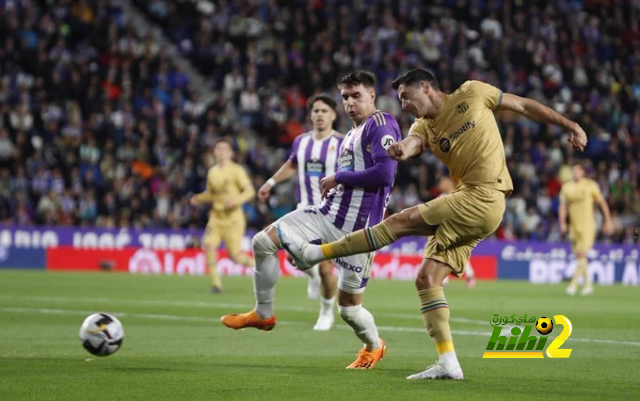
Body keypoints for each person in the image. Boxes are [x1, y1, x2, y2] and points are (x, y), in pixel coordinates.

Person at [278, 68, 588, 380]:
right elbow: (413, 142)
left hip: (485, 195)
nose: (404, 105)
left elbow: (522, 105)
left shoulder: (473, 92)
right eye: (400, 100)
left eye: (407, 97)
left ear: (426, 87)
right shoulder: (423, 126)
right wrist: (402, 151)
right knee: (427, 279)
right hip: (471, 204)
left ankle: (316, 254)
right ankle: (448, 363)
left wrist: (569, 124)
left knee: (401, 221)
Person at [221, 70, 401, 370]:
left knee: (349, 311)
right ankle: (263, 315)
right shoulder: (352, 133)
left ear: (372, 95)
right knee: (263, 241)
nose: (350, 103)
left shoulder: (381, 124)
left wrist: (338, 176)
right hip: (326, 213)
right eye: (345, 97)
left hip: (359, 231)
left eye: (356, 96)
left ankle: (373, 346)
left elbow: (384, 174)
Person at [257, 94, 344, 331]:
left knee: (327, 268)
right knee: (293, 257)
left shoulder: (343, 143)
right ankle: (312, 275)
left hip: (330, 213)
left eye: (324, 111)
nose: (319, 115)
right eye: (315, 111)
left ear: (334, 115)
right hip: (303, 209)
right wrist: (271, 183)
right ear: (310, 115)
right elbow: (292, 165)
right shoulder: (301, 142)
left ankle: (326, 312)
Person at [190, 139, 256, 293]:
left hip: (233, 218)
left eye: (224, 149)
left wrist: (236, 201)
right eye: (218, 148)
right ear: (214, 152)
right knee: (208, 244)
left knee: (234, 256)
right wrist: (198, 198)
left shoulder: (236, 170)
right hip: (216, 216)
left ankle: (259, 267)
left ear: (230, 153)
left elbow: (250, 191)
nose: (221, 151)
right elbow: (211, 194)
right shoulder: (212, 172)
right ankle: (216, 284)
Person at [559, 161, 612, 296]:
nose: (575, 173)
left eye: (577, 170)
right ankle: (588, 285)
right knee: (579, 256)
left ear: (583, 172)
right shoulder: (567, 187)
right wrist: (562, 223)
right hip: (574, 226)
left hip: (588, 225)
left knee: (582, 254)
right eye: (573, 171)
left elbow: (602, 203)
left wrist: (608, 220)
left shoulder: (590, 185)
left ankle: (573, 284)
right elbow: (563, 206)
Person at [437, 177, 476, 289]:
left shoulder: (459, 195)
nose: (440, 185)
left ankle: (467, 274)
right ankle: (466, 275)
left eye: (443, 182)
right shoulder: (441, 196)